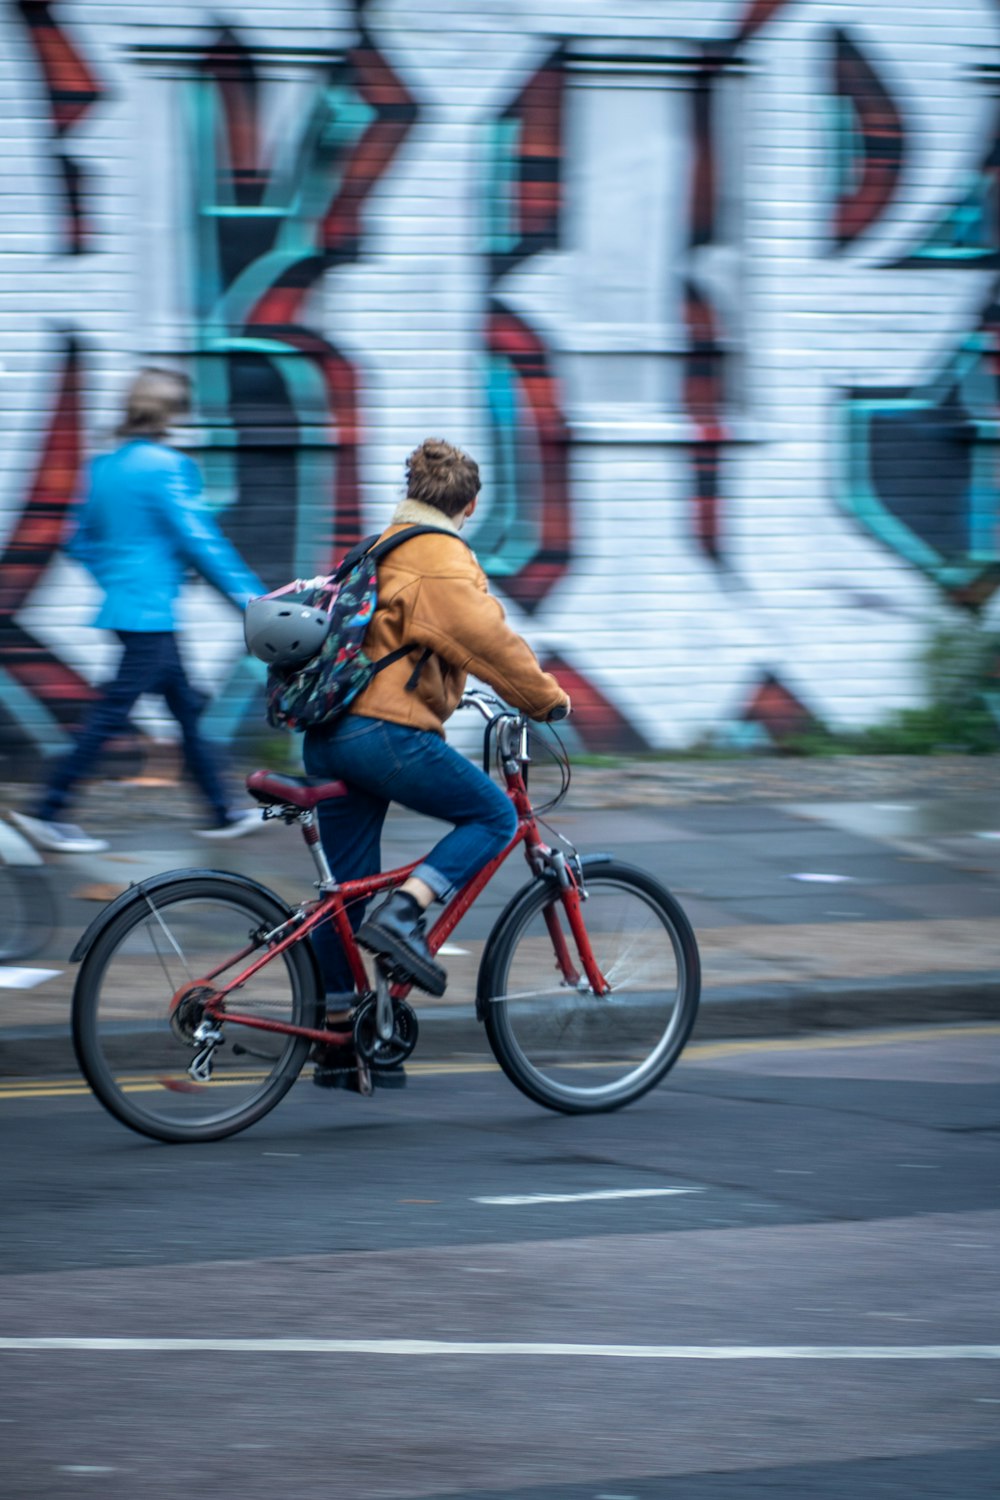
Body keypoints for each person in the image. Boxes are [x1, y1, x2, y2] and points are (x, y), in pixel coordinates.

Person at [300, 437, 570, 1088]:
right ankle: (407, 913)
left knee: (342, 897)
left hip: (329, 733)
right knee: (495, 818)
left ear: (413, 491)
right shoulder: (439, 559)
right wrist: (547, 700)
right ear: (469, 506)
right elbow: (487, 640)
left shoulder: (381, 544)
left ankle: (340, 1038)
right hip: (382, 736)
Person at [11, 368, 266, 854]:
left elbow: (78, 540)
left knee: (186, 710)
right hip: (149, 613)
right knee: (111, 715)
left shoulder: (104, 467)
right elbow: (199, 540)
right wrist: (252, 599)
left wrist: (117, 579)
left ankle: (222, 810)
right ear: (171, 414)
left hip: (135, 610)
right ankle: (49, 809)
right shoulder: (166, 466)